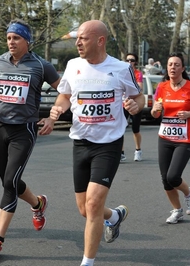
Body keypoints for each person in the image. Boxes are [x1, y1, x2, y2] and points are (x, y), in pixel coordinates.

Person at [49, 20, 144, 266]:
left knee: (92, 204)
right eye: (77, 38)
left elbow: (138, 96)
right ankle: (114, 216)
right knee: (85, 209)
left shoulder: (121, 68)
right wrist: (58, 109)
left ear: (100, 41)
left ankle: (87, 262)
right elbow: (66, 95)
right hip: (80, 142)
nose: (78, 43)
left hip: (109, 144)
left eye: (84, 38)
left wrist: (136, 105)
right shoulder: (72, 66)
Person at [0, 19, 61, 262]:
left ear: (27, 41)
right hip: (0, 127)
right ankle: (37, 203)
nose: (11, 42)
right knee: (9, 180)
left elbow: (65, 92)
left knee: (9, 182)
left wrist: (52, 118)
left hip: (24, 130)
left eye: (16, 38)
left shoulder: (41, 65)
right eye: (8, 38)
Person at [150, 52, 190, 224]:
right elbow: (154, 114)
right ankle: (177, 210)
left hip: (184, 139)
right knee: (165, 179)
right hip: (165, 137)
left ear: (182, 68)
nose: (173, 67)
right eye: (170, 65)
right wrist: (156, 109)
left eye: (176, 64)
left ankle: (189, 193)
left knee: (173, 176)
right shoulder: (162, 87)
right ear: (166, 68)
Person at [121, 52, 143, 161]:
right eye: (128, 60)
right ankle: (121, 152)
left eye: (132, 60)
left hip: (134, 104)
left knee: (135, 129)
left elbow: (138, 88)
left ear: (136, 62)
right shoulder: (122, 73)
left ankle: (138, 150)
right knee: (120, 129)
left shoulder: (138, 73)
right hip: (123, 104)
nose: (130, 62)